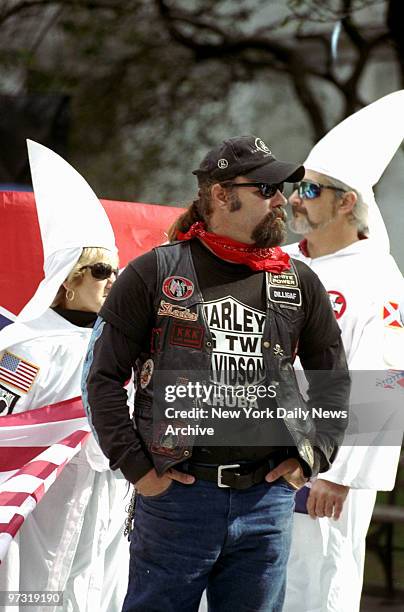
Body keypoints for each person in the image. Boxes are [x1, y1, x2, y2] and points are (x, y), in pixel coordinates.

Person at [83, 135, 350, 612]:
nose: (281, 201)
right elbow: (98, 379)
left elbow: (337, 377)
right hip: (176, 497)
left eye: (281, 188)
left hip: (267, 503)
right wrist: (139, 471)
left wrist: (314, 456)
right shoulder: (154, 273)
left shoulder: (298, 279)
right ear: (223, 194)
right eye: (266, 189)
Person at [283, 91, 404, 612]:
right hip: (253, 461)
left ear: (347, 201)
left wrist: (341, 474)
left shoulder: (378, 280)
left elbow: (384, 380)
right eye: (296, 186)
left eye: (310, 189)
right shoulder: (276, 262)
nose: (294, 199)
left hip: (323, 473)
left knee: (317, 587)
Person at [0, 141, 129, 612]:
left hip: (105, 504)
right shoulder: (24, 346)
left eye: (116, 270)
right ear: (68, 277)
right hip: (43, 509)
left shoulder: (123, 343)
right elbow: (9, 433)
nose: (113, 279)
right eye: (100, 270)